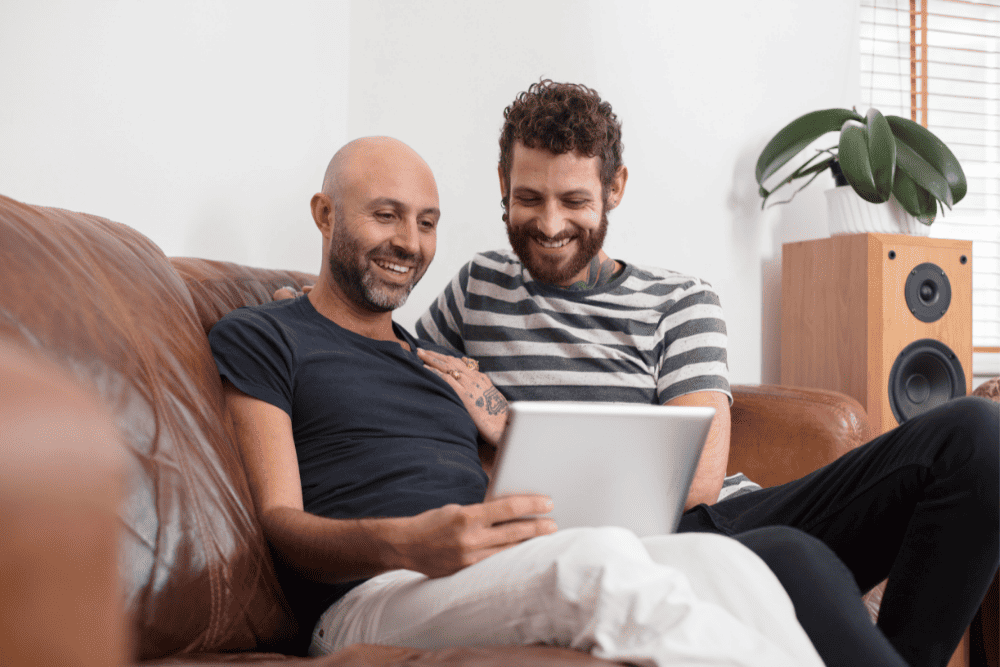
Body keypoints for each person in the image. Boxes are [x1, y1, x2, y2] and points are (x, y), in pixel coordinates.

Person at [413, 80, 999, 667]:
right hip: (632, 553)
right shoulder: (476, 289)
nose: (549, 223)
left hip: (717, 518)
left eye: (573, 200)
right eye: (529, 198)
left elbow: (694, 479)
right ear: (502, 185)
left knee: (980, 435)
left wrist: (506, 422)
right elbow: (403, 405)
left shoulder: (679, 300)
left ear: (614, 188)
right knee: (788, 557)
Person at [212, 136, 832, 666]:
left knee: (723, 564)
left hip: (483, 572)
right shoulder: (264, 336)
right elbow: (280, 525)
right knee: (595, 558)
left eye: (427, 223)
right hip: (369, 593)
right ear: (325, 215)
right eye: (385, 216)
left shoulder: (435, 360)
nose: (409, 242)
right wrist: (407, 542)